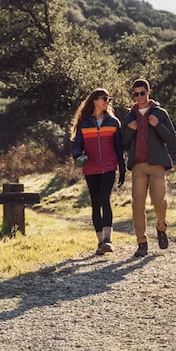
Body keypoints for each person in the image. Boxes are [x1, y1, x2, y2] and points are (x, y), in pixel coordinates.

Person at [122, 78, 176, 258]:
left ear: (149, 92)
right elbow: (122, 143)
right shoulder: (129, 116)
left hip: (157, 165)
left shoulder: (160, 113)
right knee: (138, 205)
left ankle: (161, 228)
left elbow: (172, 139)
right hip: (138, 165)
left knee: (159, 202)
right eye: (136, 94)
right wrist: (129, 130)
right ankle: (141, 243)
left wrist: (158, 125)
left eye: (142, 93)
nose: (139, 97)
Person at [70, 88, 126, 255]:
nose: (107, 101)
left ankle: (108, 240)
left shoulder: (114, 122)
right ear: (95, 100)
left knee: (104, 200)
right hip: (91, 168)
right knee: (95, 203)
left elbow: (119, 148)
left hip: (109, 167)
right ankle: (100, 242)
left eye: (109, 99)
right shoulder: (84, 123)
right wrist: (77, 156)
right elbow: (77, 145)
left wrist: (122, 169)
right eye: (104, 98)